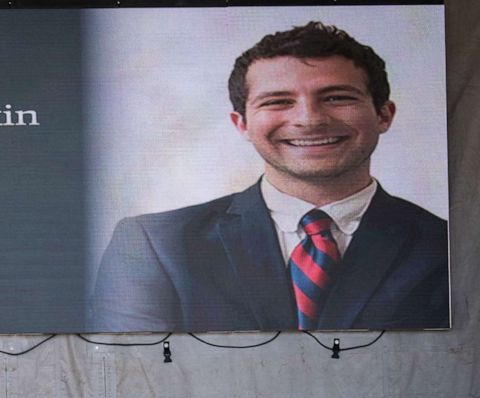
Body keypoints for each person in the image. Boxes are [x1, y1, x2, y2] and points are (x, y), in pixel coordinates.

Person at [91, 21, 449, 332]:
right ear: (242, 124)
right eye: (277, 101)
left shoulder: (451, 248)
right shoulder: (154, 245)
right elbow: (133, 378)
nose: (309, 119)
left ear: (384, 115)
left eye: (337, 97)